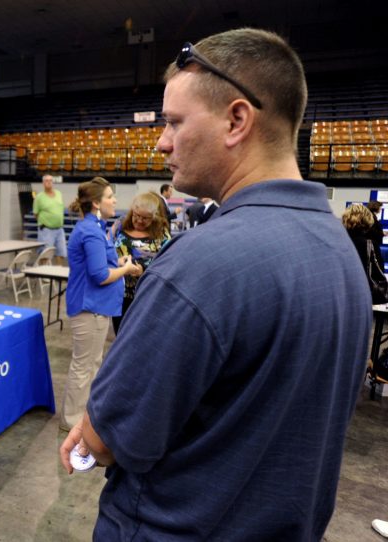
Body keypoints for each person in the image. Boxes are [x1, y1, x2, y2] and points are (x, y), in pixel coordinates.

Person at [60, 28, 372, 541]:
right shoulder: (338, 251)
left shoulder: (202, 264)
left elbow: (110, 438)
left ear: (236, 120)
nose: (162, 142)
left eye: (174, 122)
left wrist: (92, 433)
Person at [60, 177, 138, 431]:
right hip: (89, 308)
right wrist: (125, 269)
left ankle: (82, 416)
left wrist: (120, 262)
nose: (115, 200)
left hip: (95, 307)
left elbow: (103, 265)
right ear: (96, 203)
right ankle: (72, 421)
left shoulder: (95, 228)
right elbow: (101, 276)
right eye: (109, 196)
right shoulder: (91, 231)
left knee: (91, 364)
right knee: (84, 367)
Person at [110, 191, 170, 334]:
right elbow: (105, 250)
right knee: (120, 334)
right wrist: (116, 261)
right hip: (119, 294)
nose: (139, 221)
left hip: (146, 295)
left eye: (145, 218)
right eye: (136, 216)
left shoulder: (161, 232)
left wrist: (143, 270)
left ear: (154, 217)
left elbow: (167, 262)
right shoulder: (120, 224)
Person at [342, 203, 388, 304]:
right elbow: (378, 272)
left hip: (340, 296)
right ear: (367, 221)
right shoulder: (370, 245)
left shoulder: (337, 242)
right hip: (363, 297)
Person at [33, 174, 67, 265]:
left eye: (50, 180)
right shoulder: (39, 197)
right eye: (46, 181)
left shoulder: (59, 193)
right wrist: (45, 222)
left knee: (61, 253)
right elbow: (35, 214)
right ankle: (43, 276)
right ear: (43, 183)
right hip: (46, 230)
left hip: (59, 229)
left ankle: (59, 276)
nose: (48, 182)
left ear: (53, 182)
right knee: (45, 254)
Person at [366, 200, 385, 270]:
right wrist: (381, 233)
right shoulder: (372, 218)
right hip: (373, 244)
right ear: (376, 207)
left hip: (372, 244)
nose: (380, 209)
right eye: (380, 207)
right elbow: (372, 232)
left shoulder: (370, 216)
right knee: (378, 263)